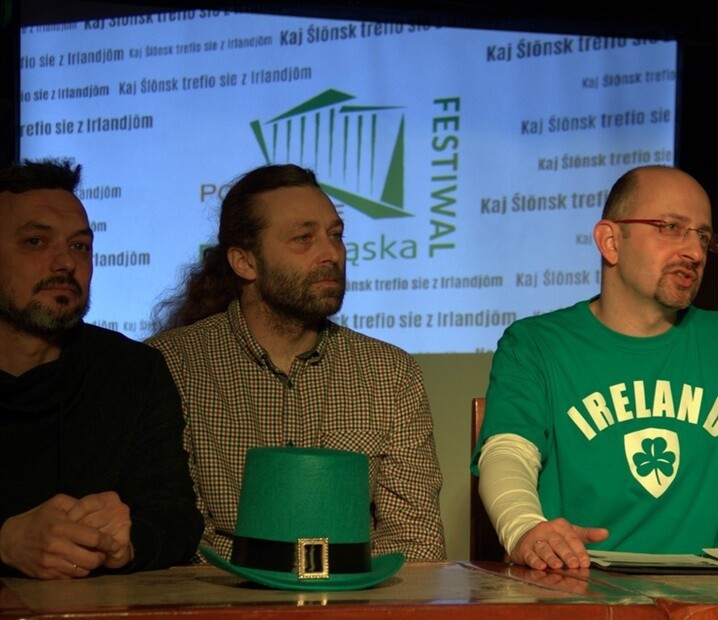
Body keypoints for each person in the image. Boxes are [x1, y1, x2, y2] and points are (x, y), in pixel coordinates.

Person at [471, 165, 718, 570]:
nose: (695, 253)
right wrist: (524, 528)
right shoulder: (536, 344)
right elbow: (508, 453)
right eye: (671, 227)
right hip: (574, 585)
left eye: (703, 236)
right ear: (610, 241)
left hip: (699, 595)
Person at [146, 163, 447, 563]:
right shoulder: (172, 366)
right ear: (245, 262)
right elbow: (173, 536)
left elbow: (415, 542)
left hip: (350, 597)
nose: (332, 254)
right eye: (304, 238)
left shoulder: (390, 373)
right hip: (218, 594)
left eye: (336, 235)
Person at [0, 158, 202, 579]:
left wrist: (128, 542)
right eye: (36, 242)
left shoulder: (132, 372)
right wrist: (6, 542)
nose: (65, 263)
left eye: (80, 247)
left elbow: (176, 519)